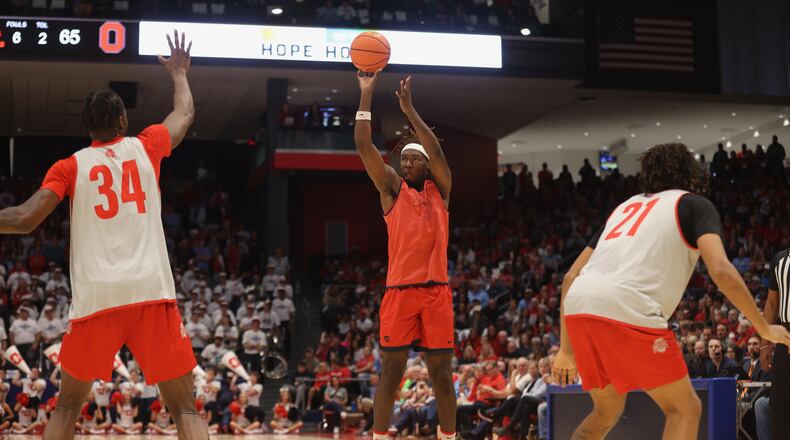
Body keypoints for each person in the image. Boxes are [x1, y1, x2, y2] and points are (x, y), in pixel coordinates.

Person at [0, 30, 205, 440]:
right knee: (184, 407)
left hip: (98, 300)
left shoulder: (70, 166)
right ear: (123, 121)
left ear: (86, 127)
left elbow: (23, 219)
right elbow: (183, 115)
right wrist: (180, 74)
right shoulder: (147, 146)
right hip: (151, 291)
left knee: (68, 407)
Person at [553, 143, 790, 440]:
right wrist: (762, 327)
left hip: (579, 307)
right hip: (627, 307)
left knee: (606, 411)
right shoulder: (693, 204)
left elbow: (570, 276)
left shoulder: (623, 208)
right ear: (689, 173)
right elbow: (721, 270)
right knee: (685, 409)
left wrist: (565, 351)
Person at [354, 71, 456, 440]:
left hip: (437, 293)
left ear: (427, 166)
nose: (406, 164)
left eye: (413, 159)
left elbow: (439, 153)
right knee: (392, 374)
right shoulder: (392, 190)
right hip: (399, 292)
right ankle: (380, 437)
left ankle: (449, 436)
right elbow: (365, 147)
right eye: (404, 160)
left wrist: (410, 110)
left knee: (442, 376)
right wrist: (366, 95)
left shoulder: (441, 190)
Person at [764, 246, 790, 439]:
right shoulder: (779, 259)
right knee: (780, 403)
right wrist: (765, 343)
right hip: (784, 333)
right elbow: (772, 303)